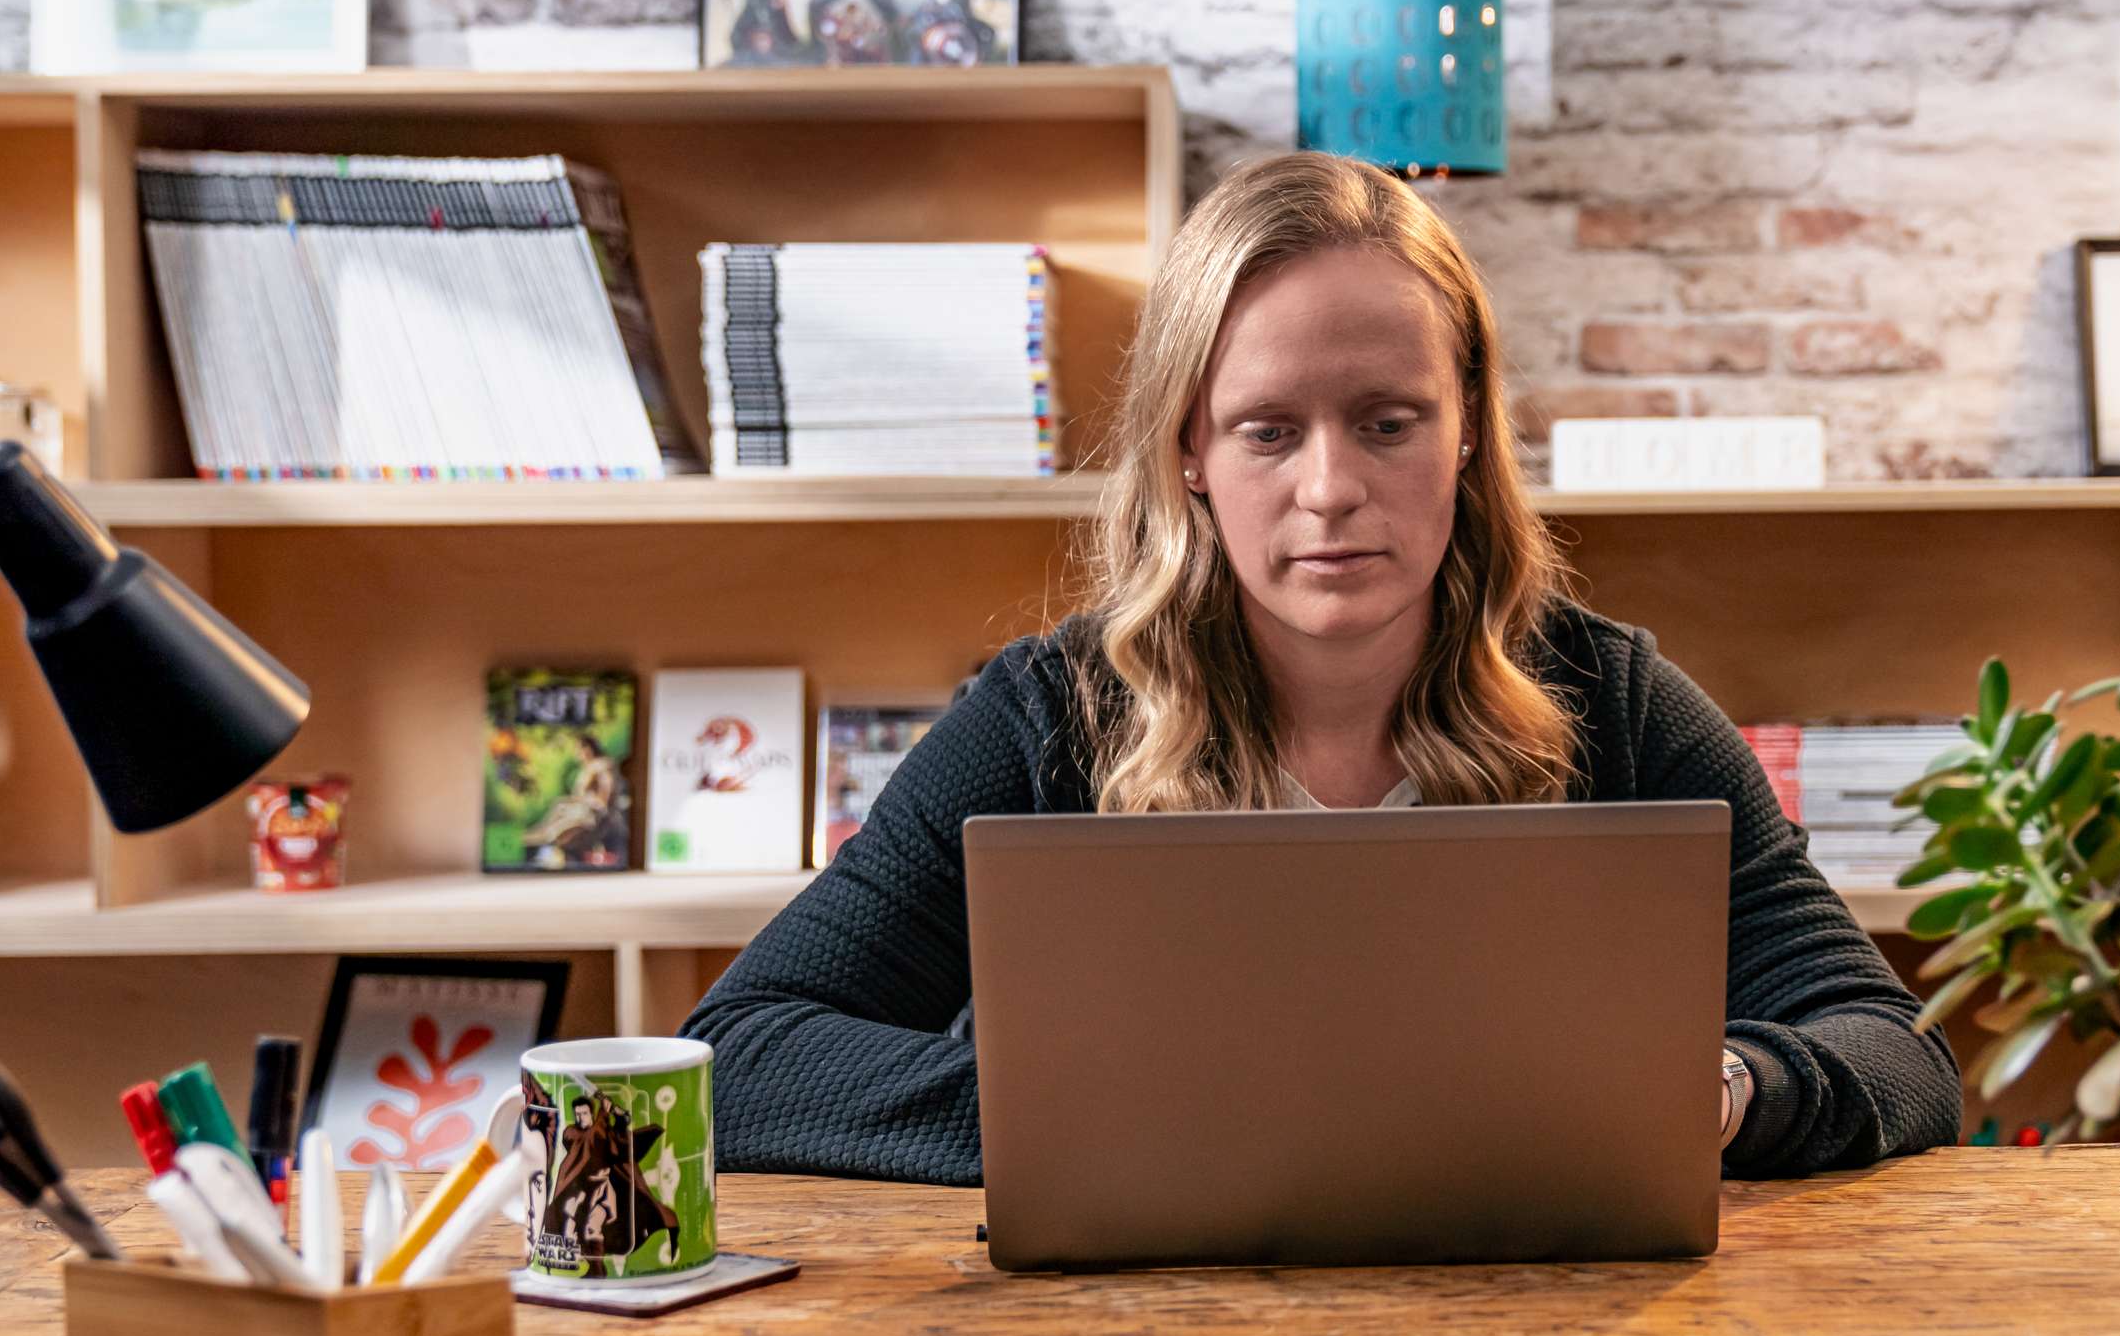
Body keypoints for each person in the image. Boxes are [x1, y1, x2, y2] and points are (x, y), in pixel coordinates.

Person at [686, 152, 1964, 1185]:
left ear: (1466, 431)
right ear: (1188, 448)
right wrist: (1079, 1118)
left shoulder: (1612, 704)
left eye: (1388, 421)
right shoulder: (1052, 716)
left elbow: (1894, 1051)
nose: (1332, 489)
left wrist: (1722, 1091)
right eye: (1267, 430)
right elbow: (737, 1054)